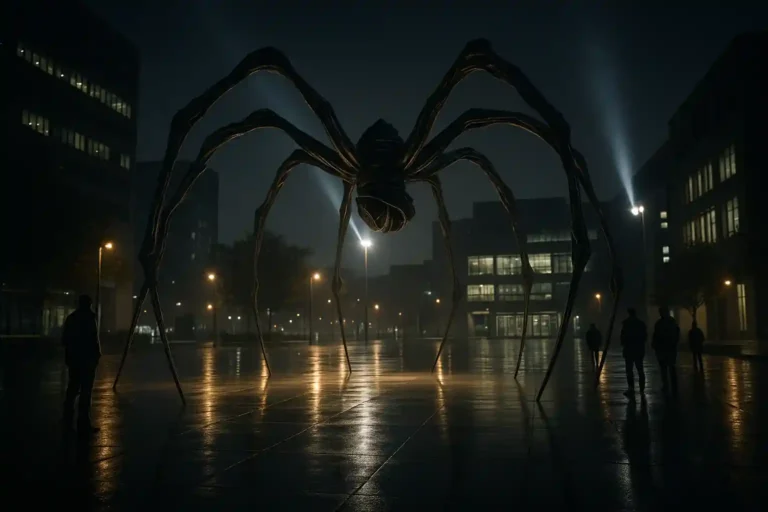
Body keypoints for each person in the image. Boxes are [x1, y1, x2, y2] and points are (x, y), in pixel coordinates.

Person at [62, 294, 101, 435]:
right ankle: (83, 423)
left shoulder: (72, 318)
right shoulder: (90, 318)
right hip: (87, 360)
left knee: (72, 390)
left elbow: (65, 340)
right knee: (85, 392)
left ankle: (67, 422)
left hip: (75, 360)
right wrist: (96, 355)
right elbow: (93, 339)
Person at [652, 306, 680, 394]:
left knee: (666, 368)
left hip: (665, 348)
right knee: (669, 367)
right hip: (668, 348)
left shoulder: (660, 323)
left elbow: (656, 336)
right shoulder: (671, 322)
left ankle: (667, 385)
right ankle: (671, 385)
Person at [620, 308, 647, 399]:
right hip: (638, 349)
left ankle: (631, 388)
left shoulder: (626, 324)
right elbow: (644, 336)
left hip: (629, 350)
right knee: (640, 369)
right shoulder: (641, 324)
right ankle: (641, 388)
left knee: (629, 370)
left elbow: (623, 337)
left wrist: (624, 343)